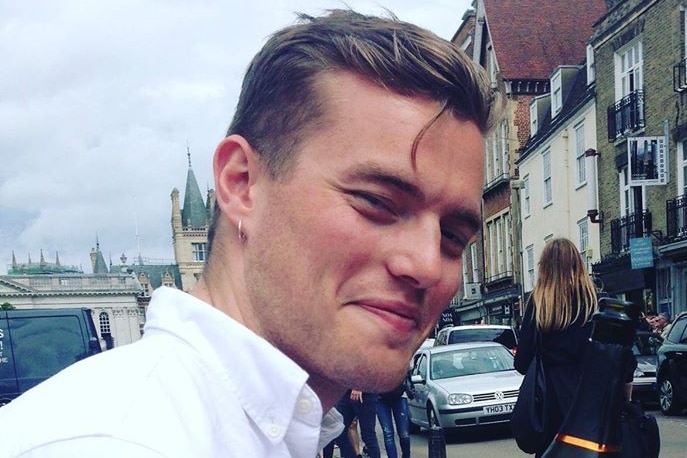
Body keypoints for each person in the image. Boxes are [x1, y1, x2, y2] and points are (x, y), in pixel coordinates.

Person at [0, 10, 499, 458]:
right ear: (241, 184)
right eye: (378, 203)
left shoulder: (270, 425)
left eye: (453, 236)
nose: (427, 265)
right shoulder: (121, 443)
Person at [513, 238, 635, 456]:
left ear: (545, 269)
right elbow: (624, 361)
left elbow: (522, 363)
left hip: (552, 415)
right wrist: (624, 398)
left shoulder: (539, 306)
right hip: (595, 411)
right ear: (578, 265)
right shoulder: (599, 305)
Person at [376, 372, 414, 458]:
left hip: (399, 395)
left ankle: (406, 456)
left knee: (404, 433)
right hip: (380, 398)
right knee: (388, 433)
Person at [333, 390, 380, 458]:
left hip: (365, 394)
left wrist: (358, 387)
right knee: (338, 431)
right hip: (346, 392)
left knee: (368, 435)